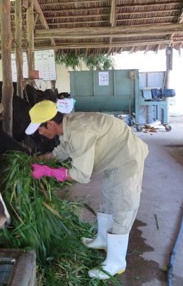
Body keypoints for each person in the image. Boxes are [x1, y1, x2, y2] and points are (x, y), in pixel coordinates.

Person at [25, 100, 148, 280]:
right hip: (113, 158)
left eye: (40, 128)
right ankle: (103, 240)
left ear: (50, 123)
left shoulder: (79, 132)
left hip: (127, 158)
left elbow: (81, 175)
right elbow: (63, 149)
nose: (40, 132)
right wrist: (43, 159)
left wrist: (48, 172)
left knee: (122, 204)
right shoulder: (67, 125)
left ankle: (116, 261)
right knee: (108, 197)